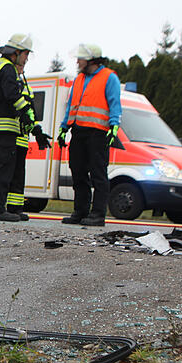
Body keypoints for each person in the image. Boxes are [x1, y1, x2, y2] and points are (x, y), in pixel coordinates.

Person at [0, 34, 44, 222]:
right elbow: (13, 96)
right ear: (17, 52)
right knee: (2, 169)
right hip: (6, 127)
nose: (26, 59)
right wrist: (28, 116)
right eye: (26, 54)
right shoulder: (8, 69)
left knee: (0, 168)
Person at [57, 43, 122, 226]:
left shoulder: (109, 77)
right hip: (78, 132)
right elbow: (72, 106)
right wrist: (63, 128)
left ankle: (98, 214)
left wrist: (114, 127)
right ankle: (80, 211)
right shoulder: (79, 79)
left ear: (91, 60)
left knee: (98, 173)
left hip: (98, 133)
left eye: (80, 58)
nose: (77, 61)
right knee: (77, 171)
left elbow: (115, 104)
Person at [6, 69, 51, 221]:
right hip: (9, 137)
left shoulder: (27, 89)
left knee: (18, 177)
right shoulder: (8, 85)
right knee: (4, 175)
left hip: (22, 140)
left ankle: (15, 209)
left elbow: (31, 113)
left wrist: (37, 131)